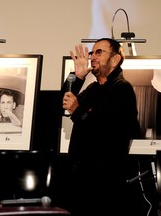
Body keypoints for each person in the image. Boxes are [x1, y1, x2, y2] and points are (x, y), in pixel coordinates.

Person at [60, 38, 141, 215]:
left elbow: (107, 132)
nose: (93, 57)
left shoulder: (122, 89)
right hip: (81, 182)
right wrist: (78, 76)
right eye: (92, 53)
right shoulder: (93, 89)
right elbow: (61, 104)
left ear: (115, 59)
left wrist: (78, 111)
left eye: (99, 52)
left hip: (104, 186)